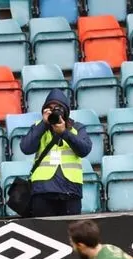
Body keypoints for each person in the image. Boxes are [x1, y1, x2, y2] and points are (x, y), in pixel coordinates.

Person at [19, 88, 92, 218]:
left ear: (65, 111)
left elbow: (84, 150)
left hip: (70, 188)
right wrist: (43, 124)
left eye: (58, 108)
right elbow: (26, 148)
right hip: (43, 189)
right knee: (42, 229)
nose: (54, 112)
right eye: (50, 108)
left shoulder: (77, 128)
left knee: (71, 228)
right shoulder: (38, 126)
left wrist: (64, 132)